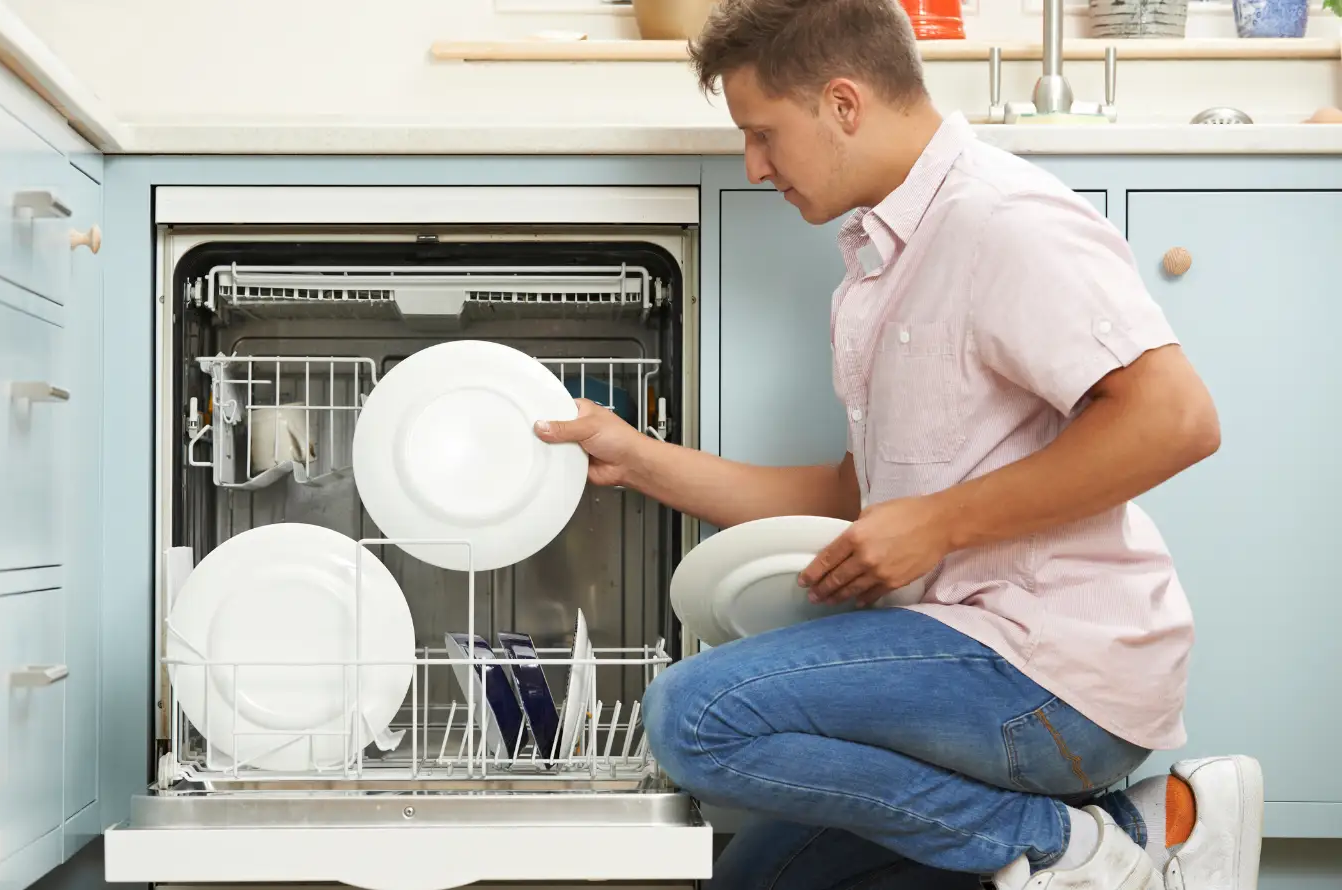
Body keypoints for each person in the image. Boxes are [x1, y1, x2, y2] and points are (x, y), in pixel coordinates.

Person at [533, 0, 1261, 888]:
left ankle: (1072, 849)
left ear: (843, 104)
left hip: (1051, 672)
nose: (755, 167)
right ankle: (1152, 831)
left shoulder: (1001, 220)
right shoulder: (886, 256)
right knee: (755, 878)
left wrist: (939, 525)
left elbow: (1177, 419)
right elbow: (856, 495)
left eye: (763, 134)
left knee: (694, 715)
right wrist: (637, 456)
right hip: (963, 649)